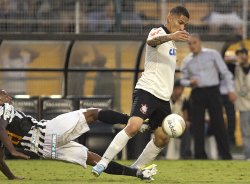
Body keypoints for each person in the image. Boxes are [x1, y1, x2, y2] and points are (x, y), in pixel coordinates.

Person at [92, 6, 190, 176]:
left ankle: (136, 167)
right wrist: (171, 36)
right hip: (147, 90)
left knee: (162, 138)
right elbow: (151, 42)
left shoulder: (173, 44)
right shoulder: (157, 32)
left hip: (163, 98)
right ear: (169, 17)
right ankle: (103, 162)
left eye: (185, 25)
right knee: (133, 126)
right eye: (180, 22)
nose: (182, 28)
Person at [0, 89, 157, 180]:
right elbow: (3, 129)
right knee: (92, 113)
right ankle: (135, 122)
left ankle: (138, 174)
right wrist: (14, 151)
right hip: (50, 130)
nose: (8, 97)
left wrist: (12, 178)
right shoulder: (5, 109)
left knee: (93, 160)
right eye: (4, 95)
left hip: (46, 151)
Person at [180, 34, 236, 160]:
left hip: (213, 92)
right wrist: (190, 83)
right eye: (189, 44)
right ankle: (199, 156)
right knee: (197, 125)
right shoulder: (187, 61)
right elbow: (182, 80)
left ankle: (226, 155)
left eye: (194, 43)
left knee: (218, 123)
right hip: (197, 92)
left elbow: (225, 72)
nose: (192, 46)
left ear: (200, 42)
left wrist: (231, 90)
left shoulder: (213, 54)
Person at [166, 80, 191, 160]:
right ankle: (162, 154)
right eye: (179, 89)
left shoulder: (183, 99)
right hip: (166, 123)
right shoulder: (166, 98)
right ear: (174, 89)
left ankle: (184, 154)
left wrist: (184, 123)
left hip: (178, 124)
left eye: (182, 89)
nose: (181, 91)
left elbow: (185, 112)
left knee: (186, 129)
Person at [234, 48, 250, 160]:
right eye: (239, 55)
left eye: (243, 54)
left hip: (246, 101)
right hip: (243, 106)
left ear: (247, 55)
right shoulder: (236, 69)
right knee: (245, 133)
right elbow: (225, 59)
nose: (241, 57)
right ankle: (248, 155)